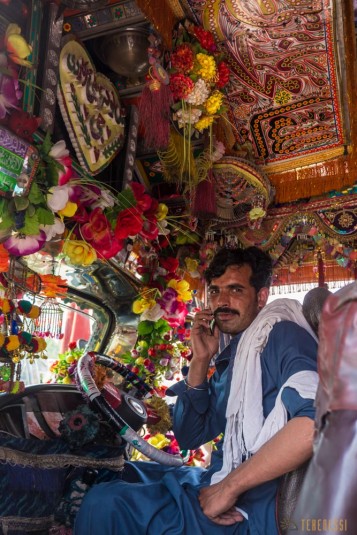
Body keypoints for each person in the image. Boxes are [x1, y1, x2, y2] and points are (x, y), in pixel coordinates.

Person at [74, 246, 318, 535]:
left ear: (261, 296)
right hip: (219, 477)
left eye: (235, 290)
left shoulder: (280, 335)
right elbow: (190, 437)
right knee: (113, 473)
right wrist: (201, 360)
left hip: (253, 506)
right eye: (215, 291)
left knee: (103, 502)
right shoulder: (236, 355)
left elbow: (316, 422)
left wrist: (229, 488)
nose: (222, 302)